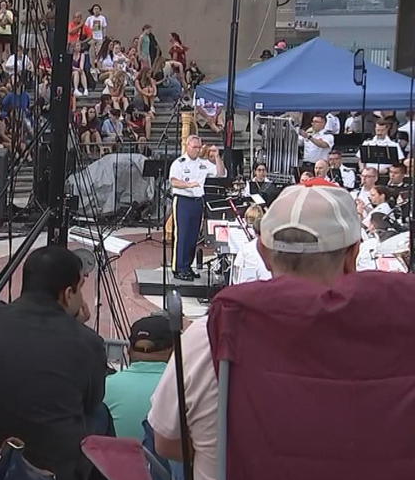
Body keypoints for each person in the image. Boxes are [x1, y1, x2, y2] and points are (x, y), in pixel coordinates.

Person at [149, 184, 363, 480]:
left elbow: (167, 441)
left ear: (262, 253)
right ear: (354, 254)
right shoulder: (382, 336)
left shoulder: (208, 333)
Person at [0, 246, 106, 479]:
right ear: (68, 293)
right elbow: (90, 402)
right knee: (99, 414)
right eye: (80, 288)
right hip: (45, 467)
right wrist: (77, 328)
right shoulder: (88, 342)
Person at [104, 315, 174, 438]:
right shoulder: (188, 389)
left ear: (129, 349)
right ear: (174, 350)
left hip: (117, 457)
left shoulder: (104, 386)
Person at [169, 137, 225, 281]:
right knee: (182, 235)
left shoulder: (203, 164)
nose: (197, 150)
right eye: (194, 147)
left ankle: (188, 266)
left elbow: (221, 173)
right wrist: (188, 185)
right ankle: (178, 268)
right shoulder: (179, 163)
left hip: (198, 201)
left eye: (199, 147)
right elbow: (174, 181)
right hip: (183, 200)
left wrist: (217, 156)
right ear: (187, 146)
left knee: (193, 236)